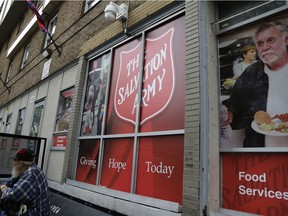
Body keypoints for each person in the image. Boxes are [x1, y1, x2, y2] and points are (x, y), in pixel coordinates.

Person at [228, 21, 288, 147]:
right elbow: (234, 106)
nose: (265, 47)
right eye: (260, 43)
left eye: (271, 40)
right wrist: (227, 113)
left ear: (286, 40)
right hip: (260, 154)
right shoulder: (250, 73)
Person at [0, 148, 50, 216]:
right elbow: (11, 180)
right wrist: (5, 186)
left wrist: (5, 190)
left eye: (14, 160)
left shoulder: (31, 173)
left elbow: (15, 194)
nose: (13, 163)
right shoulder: (24, 169)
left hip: (34, 213)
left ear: (20, 163)